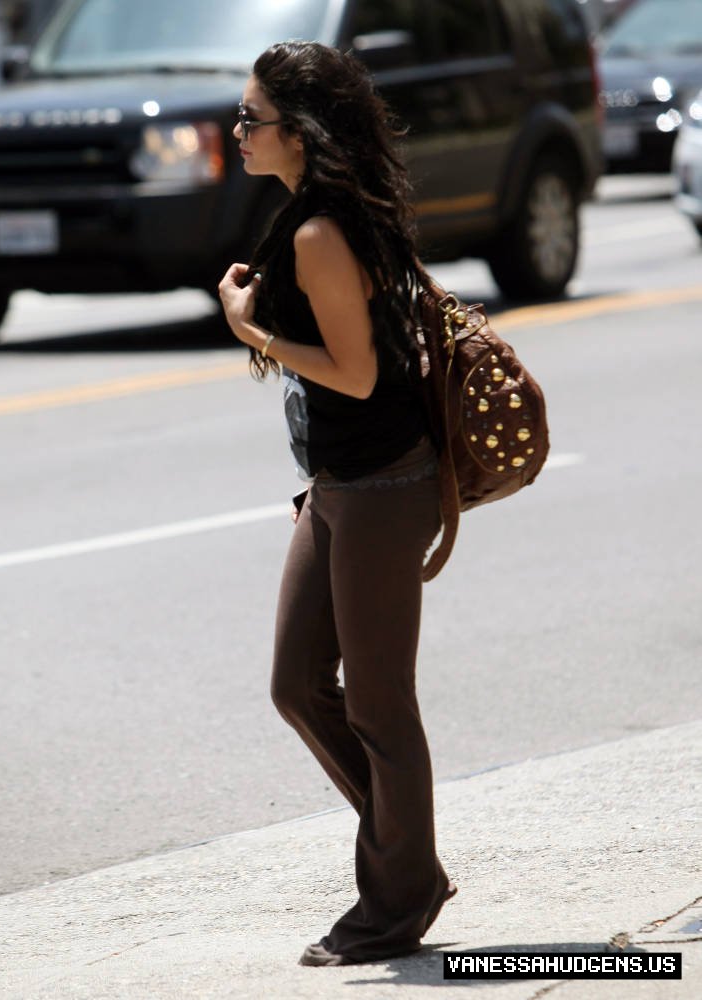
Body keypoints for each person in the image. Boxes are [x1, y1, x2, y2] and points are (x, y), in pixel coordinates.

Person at [218, 40, 456, 967]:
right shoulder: (310, 214)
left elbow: (354, 375)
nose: (237, 133)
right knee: (296, 684)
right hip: (340, 482)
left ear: (299, 133)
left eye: (251, 120)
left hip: (382, 486)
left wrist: (251, 326)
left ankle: (395, 898)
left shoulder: (320, 231)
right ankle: (409, 855)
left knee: (379, 705)